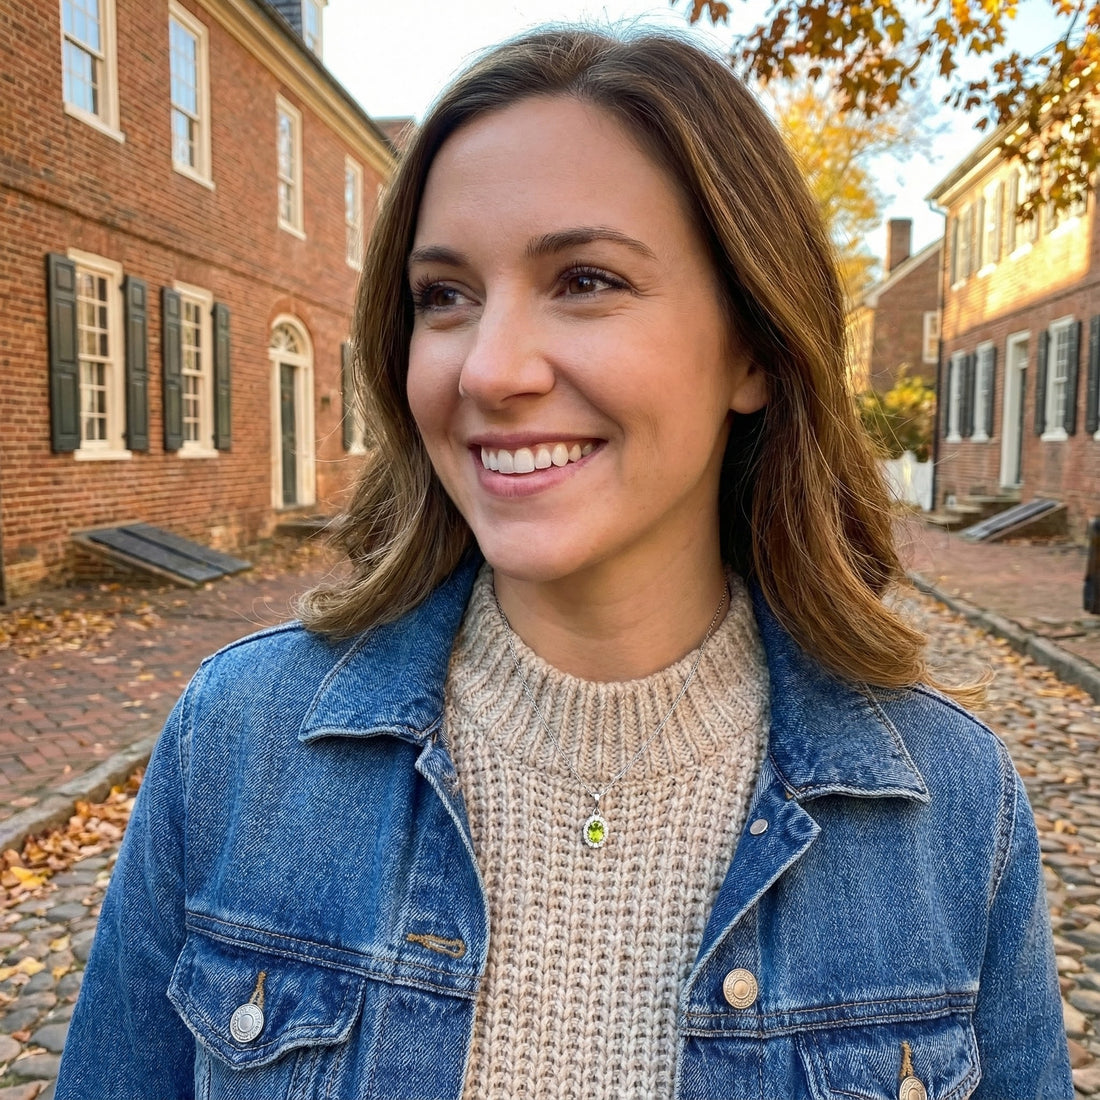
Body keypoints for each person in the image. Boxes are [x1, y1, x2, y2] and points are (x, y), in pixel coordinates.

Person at [56, 25, 1071, 1100]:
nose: (487, 369)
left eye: (584, 279)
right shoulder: (239, 740)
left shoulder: (947, 807)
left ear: (753, 347)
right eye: (444, 296)